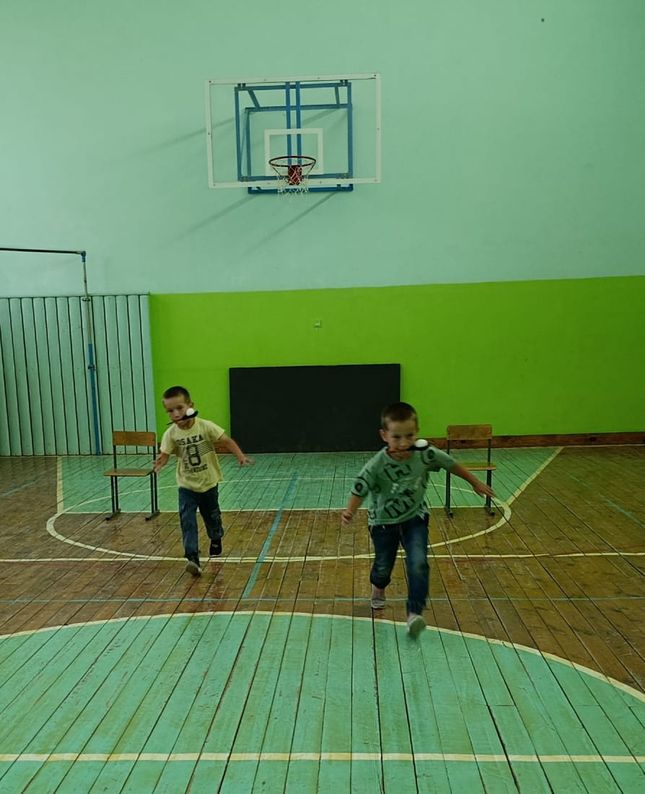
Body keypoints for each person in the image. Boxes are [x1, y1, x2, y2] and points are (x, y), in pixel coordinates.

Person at [341, 402, 495, 637]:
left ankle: (414, 613)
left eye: (409, 436)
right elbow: (359, 488)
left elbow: (451, 464)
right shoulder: (376, 465)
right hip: (383, 523)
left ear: (417, 433)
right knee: (383, 566)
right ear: (384, 436)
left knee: (418, 562)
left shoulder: (425, 454)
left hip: (415, 518)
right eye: (396, 437)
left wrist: (475, 482)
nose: (404, 443)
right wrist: (350, 511)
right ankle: (378, 587)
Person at [154, 385, 253, 576]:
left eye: (179, 408)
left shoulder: (205, 426)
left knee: (212, 516)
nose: (176, 414)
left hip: (208, 483)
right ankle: (192, 558)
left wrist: (240, 456)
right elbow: (165, 453)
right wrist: (161, 461)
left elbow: (226, 440)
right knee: (187, 520)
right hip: (187, 486)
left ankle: (216, 537)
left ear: (190, 406)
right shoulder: (171, 434)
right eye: (170, 411)